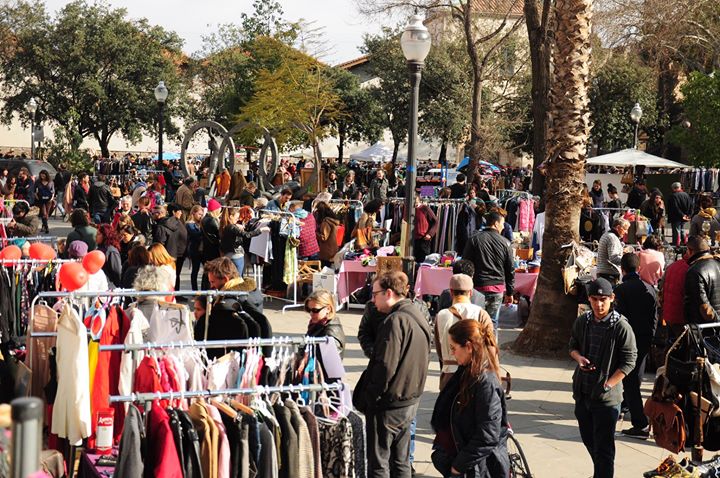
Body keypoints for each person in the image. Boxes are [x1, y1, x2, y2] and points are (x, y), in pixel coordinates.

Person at [353, 271, 431, 478]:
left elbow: (385, 367)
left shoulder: (395, 321)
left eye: (375, 293)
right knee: (401, 462)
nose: (372, 299)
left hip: (390, 404)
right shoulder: (417, 313)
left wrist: (370, 397)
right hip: (409, 399)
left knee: (380, 463)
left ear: (388, 293)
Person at [569, 278, 637, 478]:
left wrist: (608, 384)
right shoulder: (583, 321)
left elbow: (629, 361)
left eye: (603, 299)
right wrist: (579, 358)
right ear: (589, 299)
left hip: (607, 399)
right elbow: (572, 346)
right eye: (595, 299)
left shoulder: (621, 326)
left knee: (604, 448)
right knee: (589, 440)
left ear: (612, 299)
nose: (599, 304)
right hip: (583, 392)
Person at [430, 319, 509, 478]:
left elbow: (487, 435)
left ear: (468, 346)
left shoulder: (485, 382)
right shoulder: (467, 372)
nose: (452, 353)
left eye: (453, 348)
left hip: (477, 466)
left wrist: (457, 467)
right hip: (467, 459)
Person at [613, 253, 657, 439]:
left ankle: (640, 423)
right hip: (646, 338)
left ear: (622, 270)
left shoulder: (621, 290)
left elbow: (619, 319)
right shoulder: (650, 288)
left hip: (630, 340)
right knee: (636, 375)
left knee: (629, 380)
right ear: (638, 269)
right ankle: (635, 413)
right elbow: (655, 317)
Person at [195, 257, 263, 357]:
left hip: (232, 358)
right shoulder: (254, 293)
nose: (211, 286)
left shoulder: (226, 305)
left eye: (213, 282)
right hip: (251, 354)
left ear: (225, 279)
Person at [435, 274, 493, 390]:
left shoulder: (441, 315)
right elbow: (491, 347)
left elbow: (439, 348)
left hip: (449, 375)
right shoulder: (481, 314)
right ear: (471, 292)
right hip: (475, 374)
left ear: (451, 292)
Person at [462, 211, 515, 328]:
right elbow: (510, 269)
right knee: (491, 323)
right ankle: (491, 345)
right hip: (496, 289)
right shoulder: (505, 243)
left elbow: (465, 263)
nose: (503, 227)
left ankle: (476, 345)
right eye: (502, 224)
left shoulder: (474, 239)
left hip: (477, 287)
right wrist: (510, 292)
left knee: (475, 323)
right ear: (496, 224)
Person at [684, 236, 720, 324]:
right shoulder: (718, 264)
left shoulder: (694, 271)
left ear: (690, 250)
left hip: (705, 328)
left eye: (686, 251)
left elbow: (705, 308)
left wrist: (717, 321)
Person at [155, 204, 188, 290]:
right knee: (174, 275)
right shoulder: (176, 223)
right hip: (177, 254)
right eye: (179, 211)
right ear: (173, 212)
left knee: (171, 275)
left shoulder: (164, 224)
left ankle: (173, 293)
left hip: (170, 253)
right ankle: (174, 293)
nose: (181, 213)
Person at [304, 289, 345, 358]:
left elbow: (331, 359)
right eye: (309, 309)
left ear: (328, 309)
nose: (311, 313)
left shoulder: (332, 332)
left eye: (315, 310)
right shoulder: (317, 324)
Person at [660, 248, 690, 338]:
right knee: (681, 346)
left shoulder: (672, 266)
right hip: (681, 317)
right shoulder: (691, 269)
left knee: (671, 343)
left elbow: (662, 286)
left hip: (669, 313)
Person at [596, 218, 630, 284]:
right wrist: (627, 260)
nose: (626, 232)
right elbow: (613, 258)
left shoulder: (607, 235)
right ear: (618, 227)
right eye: (625, 229)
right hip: (608, 274)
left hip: (604, 273)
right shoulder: (612, 238)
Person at [314, 202, 341, 267]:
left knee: (325, 269)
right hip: (334, 247)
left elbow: (323, 237)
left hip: (326, 250)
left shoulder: (326, 222)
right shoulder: (334, 221)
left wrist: (314, 233)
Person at [413, 195, 438, 263]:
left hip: (423, 239)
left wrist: (430, 234)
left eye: (415, 201)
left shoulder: (424, 208)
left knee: (422, 261)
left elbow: (435, 221)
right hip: (412, 239)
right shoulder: (408, 209)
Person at [667, 182, 692, 246]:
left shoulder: (673, 196)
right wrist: (687, 215)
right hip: (685, 216)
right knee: (682, 230)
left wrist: (682, 215)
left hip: (676, 217)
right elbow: (691, 205)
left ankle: (676, 245)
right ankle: (684, 243)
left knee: (676, 232)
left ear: (673, 188)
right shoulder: (686, 195)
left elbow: (675, 208)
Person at [186, 205, 205, 290]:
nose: (201, 216)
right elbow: (196, 235)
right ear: (193, 213)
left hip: (203, 250)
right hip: (194, 249)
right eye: (199, 214)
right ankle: (195, 290)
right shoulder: (190, 224)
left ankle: (204, 289)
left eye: (202, 214)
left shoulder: (200, 223)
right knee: (195, 270)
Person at [34, 169, 55, 234]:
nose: (42, 177)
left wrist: (52, 198)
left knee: (47, 214)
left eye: (43, 175)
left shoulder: (51, 182)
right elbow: (34, 190)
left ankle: (43, 225)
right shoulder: (38, 182)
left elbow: (53, 191)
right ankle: (46, 227)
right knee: (44, 213)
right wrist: (36, 196)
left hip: (49, 200)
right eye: (41, 175)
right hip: (41, 199)